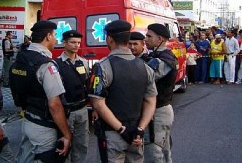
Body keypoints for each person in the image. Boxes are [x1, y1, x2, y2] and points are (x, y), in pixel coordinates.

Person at [89, 20, 157, 163]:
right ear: (127, 40)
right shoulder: (146, 67)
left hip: (113, 134)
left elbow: (97, 103)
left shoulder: (103, 66)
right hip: (136, 134)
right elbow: (151, 100)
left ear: (110, 39)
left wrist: (121, 129)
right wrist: (140, 129)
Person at [10, 20, 71, 163]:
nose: (56, 39)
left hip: (28, 120)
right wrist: (67, 134)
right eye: (55, 35)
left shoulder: (21, 58)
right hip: (44, 127)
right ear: (48, 36)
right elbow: (54, 105)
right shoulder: (46, 65)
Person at [143, 23, 178, 163]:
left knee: (154, 153)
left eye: (149, 36)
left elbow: (145, 77)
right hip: (158, 110)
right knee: (163, 152)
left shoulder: (164, 59)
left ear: (160, 39)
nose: (145, 39)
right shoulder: (155, 55)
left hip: (158, 112)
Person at [54, 30, 90, 163]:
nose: (76, 45)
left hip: (82, 109)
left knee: (81, 145)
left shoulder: (83, 62)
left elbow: (87, 83)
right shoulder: (56, 63)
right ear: (64, 43)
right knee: (64, 145)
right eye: (73, 42)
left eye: (78, 43)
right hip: (66, 111)